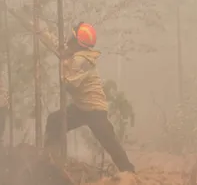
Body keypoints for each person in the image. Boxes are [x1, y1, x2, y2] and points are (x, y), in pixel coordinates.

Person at [44, 22, 135, 173]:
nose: (68, 40)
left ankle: (129, 172)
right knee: (54, 121)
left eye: (71, 37)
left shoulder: (81, 60)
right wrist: (38, 28)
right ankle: (51, 160)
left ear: (76, 42)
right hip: (81, 108)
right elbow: (56, 45)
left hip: (94, 110)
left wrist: (64, 61)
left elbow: (70, 83)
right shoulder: (76, 55)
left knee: (109, 142)